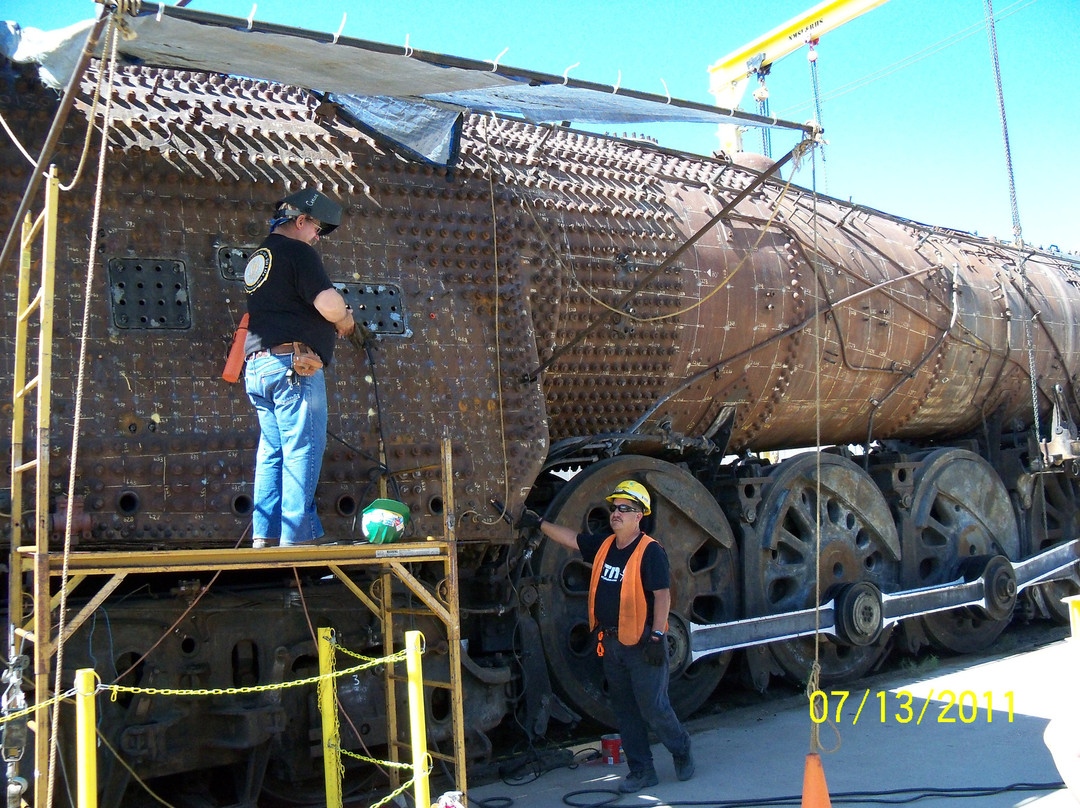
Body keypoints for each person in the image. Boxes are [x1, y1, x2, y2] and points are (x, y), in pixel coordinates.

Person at [521, 481, 694, 793]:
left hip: (643, 644)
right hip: (612, 643)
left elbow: (663, 596)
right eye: (614, 507)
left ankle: (681, 749)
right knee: (626, 711)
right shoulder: (604, 546)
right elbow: (573, 540)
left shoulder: (650, 551)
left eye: (624, 509)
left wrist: (657, 636)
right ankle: (642, 771)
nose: (616, 513)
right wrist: (539, 524)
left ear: (640, 515)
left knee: (654, 707)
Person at [242, 188, 356, 548]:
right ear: (300, 220)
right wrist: (345, 320)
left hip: (259, 368)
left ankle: (266, 534)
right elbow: (328, 304)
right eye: (316, 228)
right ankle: (296, 538)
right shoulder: (297, 252)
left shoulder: (259, 258)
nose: (317, 237)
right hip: (294, 366)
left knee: (272, 451)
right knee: (302, 446)